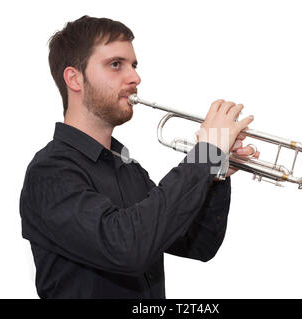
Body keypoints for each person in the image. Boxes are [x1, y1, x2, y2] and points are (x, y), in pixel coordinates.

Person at [19, 15, 257, 299]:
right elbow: (127, 248)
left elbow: (198, 245)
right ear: (74, 78)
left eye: (133, 65)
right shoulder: (50, 172)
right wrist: (205, 155)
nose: (135, 77)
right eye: (115, 65)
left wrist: (216, 170)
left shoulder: (128, 169)